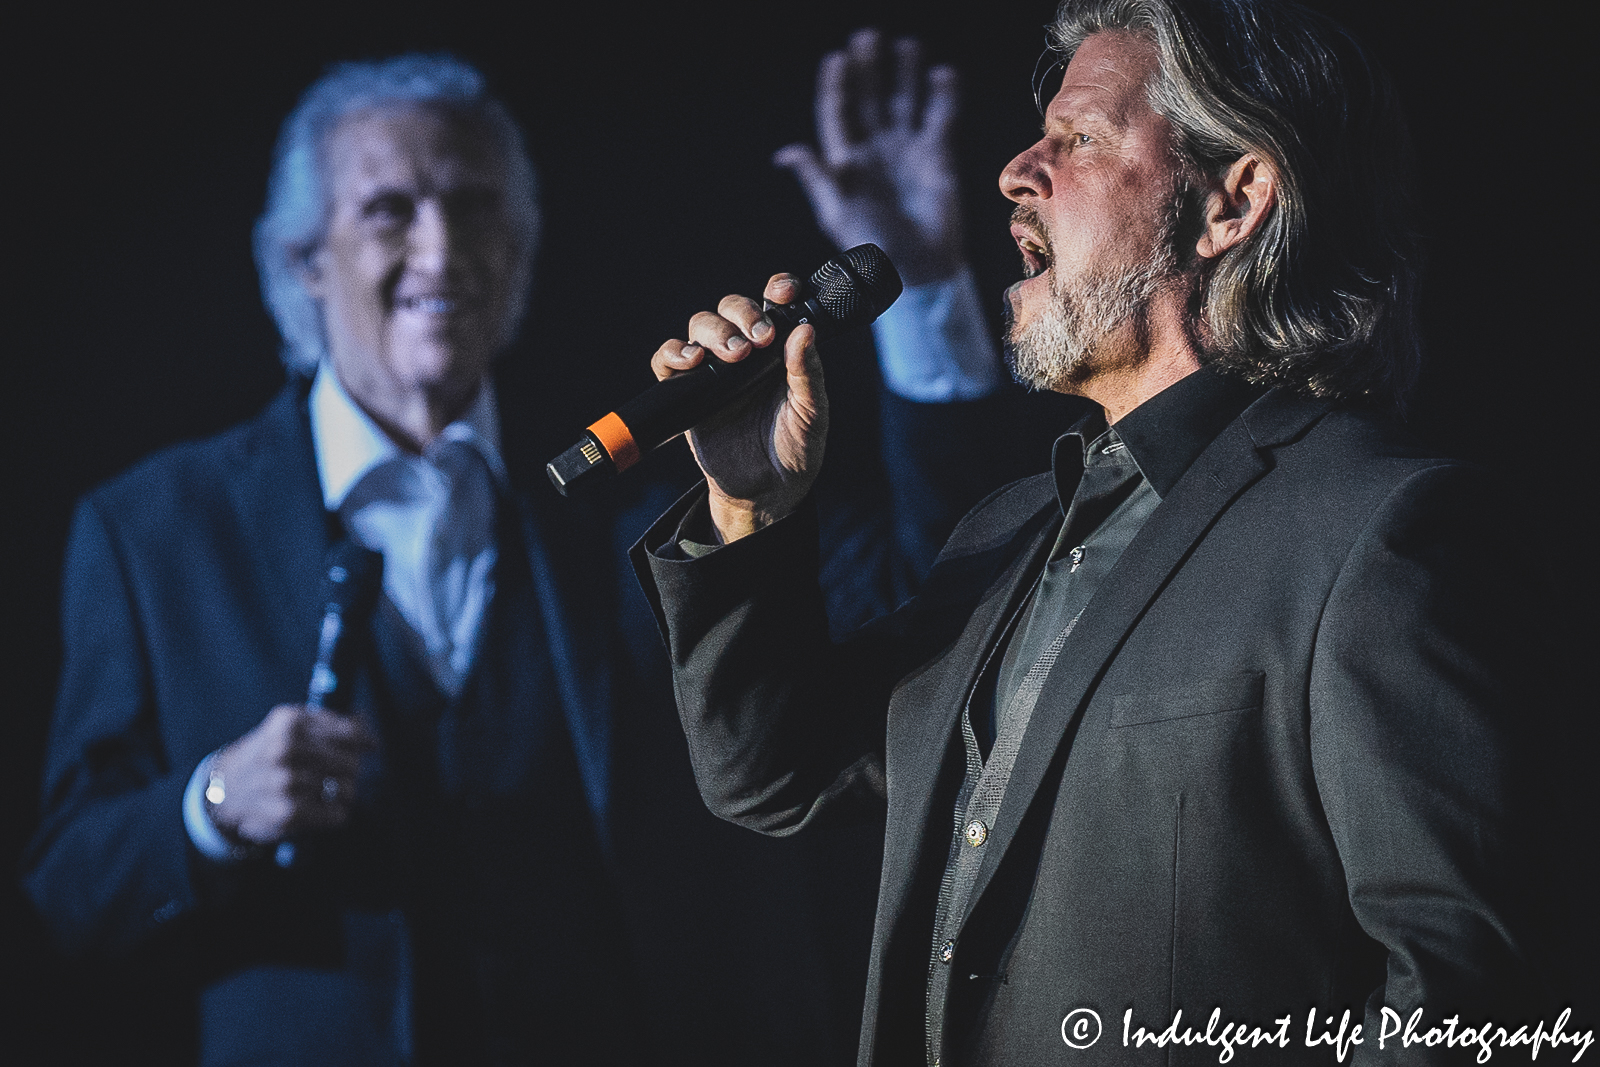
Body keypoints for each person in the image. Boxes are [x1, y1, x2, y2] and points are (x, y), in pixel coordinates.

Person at [22, 48, 1019, 1066]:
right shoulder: (151, 529)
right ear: (302, 261)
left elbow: (926, 600)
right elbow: (67, 887)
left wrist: (924, 274)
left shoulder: (658, 467)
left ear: (520, 247)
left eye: (473, 205)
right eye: (389, 209)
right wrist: (213, 808)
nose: (442, 243)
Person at [635, 1, 1545, 1064]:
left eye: (1075, 139)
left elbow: (1472, 1004)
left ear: (1230, 201)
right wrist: (748, 506)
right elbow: (775, 774)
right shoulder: (1009, 530)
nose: (1015, 170)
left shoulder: (1377, 535)